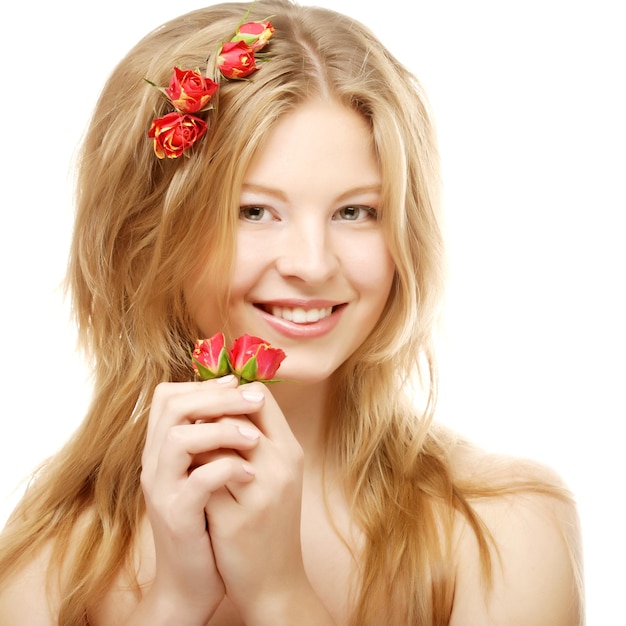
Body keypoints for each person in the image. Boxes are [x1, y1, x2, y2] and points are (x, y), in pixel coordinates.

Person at [0, 0, 584, 624]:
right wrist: (175, 604)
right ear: (148, 234)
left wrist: (279, 595)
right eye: (253, 211)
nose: (311, 262)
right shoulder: (55, 554)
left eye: (356, 211)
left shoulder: (504, 531)